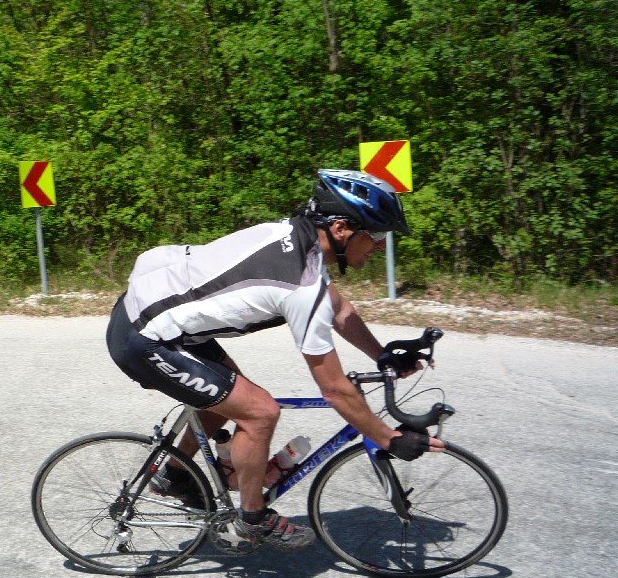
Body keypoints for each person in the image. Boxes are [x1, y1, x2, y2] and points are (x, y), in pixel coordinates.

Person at [106, 168, 445, 550]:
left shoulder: (294, 236)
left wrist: (382, 354)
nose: (381, 247)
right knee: (260, 412)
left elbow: (338, 309)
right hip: (145, 338)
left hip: (160, 317)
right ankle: (252, 519)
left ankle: (173, 472)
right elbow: (335, 390)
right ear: (340, 229)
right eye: (378, 235)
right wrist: (388, 438)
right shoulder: (300, 285)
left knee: (228, 398)